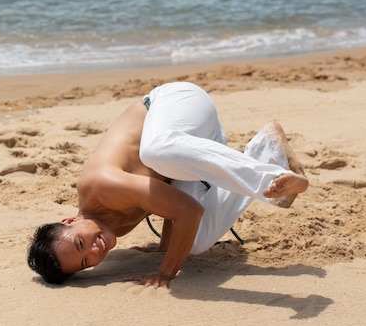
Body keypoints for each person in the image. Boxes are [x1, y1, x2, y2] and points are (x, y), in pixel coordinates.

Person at [27, 81, 308, 288]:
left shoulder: (101, 186)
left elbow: (187, 211)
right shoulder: (110, 226)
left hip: (178, 104)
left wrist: (166, 272)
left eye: (80, 243)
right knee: (194, 242)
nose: (94, 250)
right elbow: (164, 200)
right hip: (195, 144)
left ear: (69, 220)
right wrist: (165, 245)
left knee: (155, 153)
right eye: (87, 262)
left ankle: (268, 179)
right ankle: (268, 150)